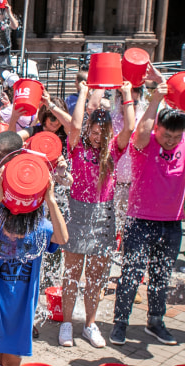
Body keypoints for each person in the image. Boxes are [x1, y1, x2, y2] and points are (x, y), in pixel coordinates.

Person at [0, 162, 68, 366]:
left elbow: (62, 238)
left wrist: (51, 200)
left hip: (20, 310)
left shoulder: (41, 228)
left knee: (13, 364)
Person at [57, 81, 135, 349]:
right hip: (77, 211)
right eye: (93, 131)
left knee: (96, 276)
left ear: (109, 132)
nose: (97, 136)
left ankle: (90, 325)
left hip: (104, 215)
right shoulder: (77, 147)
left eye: (102, 132)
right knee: (71, 273)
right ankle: (67, 323)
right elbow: (75, 125)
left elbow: (131, 128)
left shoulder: (114, 150)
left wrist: (126, 95)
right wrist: (83, 92)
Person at [110, 82, 185, 346]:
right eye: (167, 136)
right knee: (131, 273)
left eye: (176, 138)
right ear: (157, 129)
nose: (171, 142)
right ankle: (120, 323)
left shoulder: (183, 143)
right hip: (140, 220)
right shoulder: (146, 142)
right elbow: (141, 129)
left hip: (173, 224)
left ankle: (155, 321)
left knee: (162, 275)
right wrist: (157, 98)